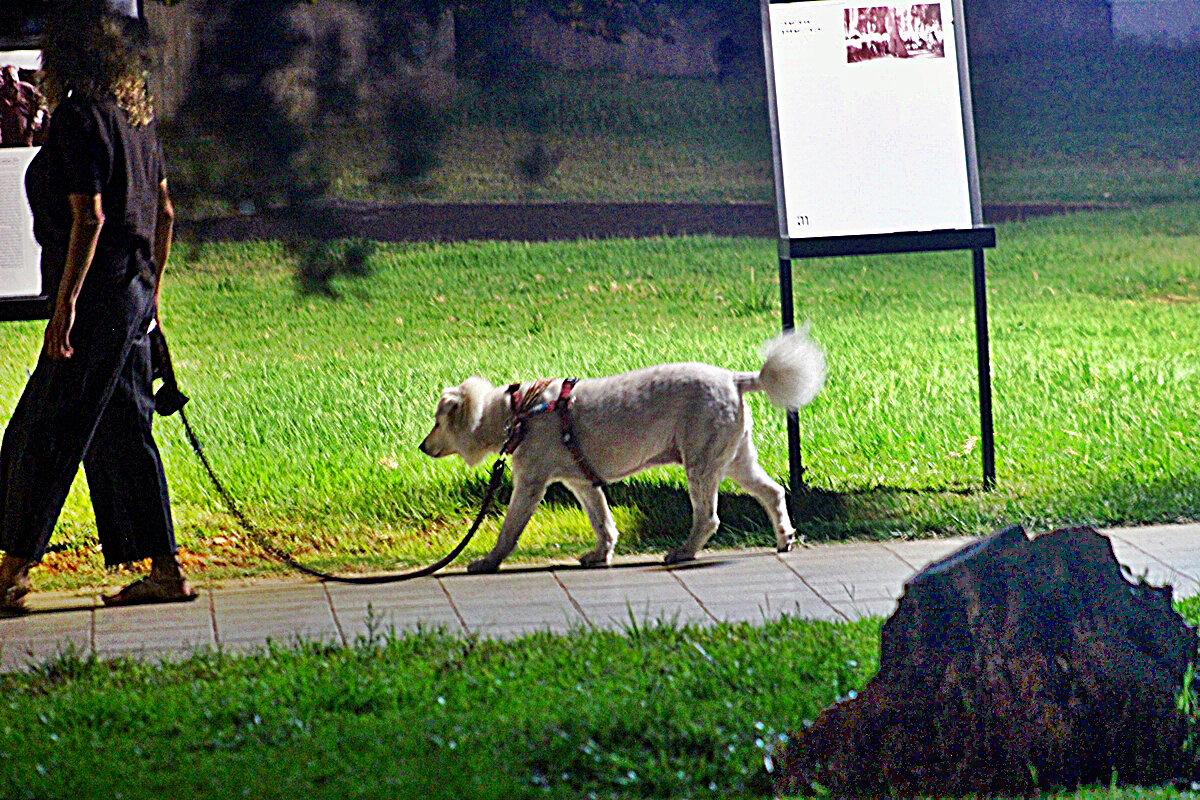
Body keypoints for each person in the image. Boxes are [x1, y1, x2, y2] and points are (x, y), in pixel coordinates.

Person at [0, 0, 195, 612]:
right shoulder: (135, 118)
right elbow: (163, 212)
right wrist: (152, 297)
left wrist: (64, 312)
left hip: (94, 302)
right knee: (122, 431)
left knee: (44, 429)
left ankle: (10, 573)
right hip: (131, 296)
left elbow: (90, 218)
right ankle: (167, 571)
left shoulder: (79, 118)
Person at [0, 64, 46, 147]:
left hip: (26, 135)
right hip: (8, 139)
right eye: (9, 77)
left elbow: (41, 103)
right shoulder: (2, 93)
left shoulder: (27, 89)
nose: (12, 79)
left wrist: (38, 117)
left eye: (14, 76)